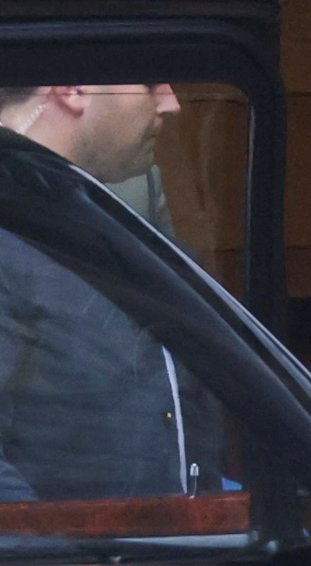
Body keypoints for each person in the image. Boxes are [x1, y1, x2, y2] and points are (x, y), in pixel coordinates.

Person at [0, 83, 220, 500]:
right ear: (73, 89)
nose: (172, 103)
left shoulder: (112, 226)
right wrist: (74, 563)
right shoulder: (12, 244)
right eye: (151, 82)